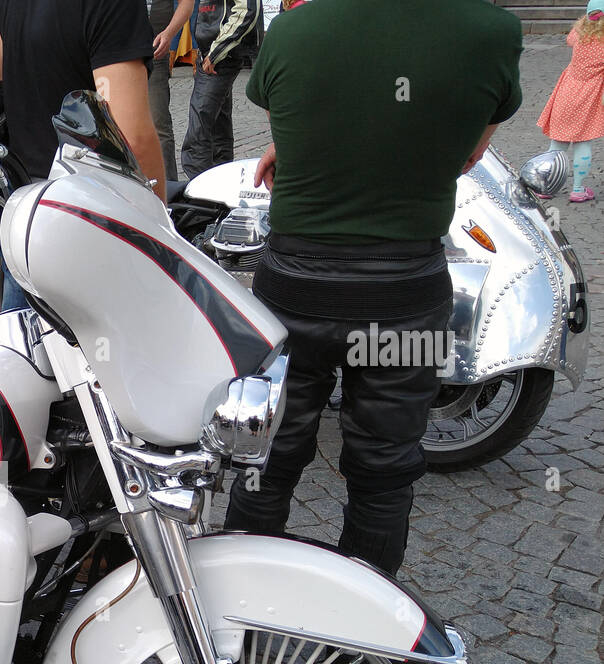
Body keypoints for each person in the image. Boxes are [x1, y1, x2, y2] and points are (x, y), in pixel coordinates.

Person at [221, 0, 523, 576]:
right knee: (385, 468)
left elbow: (303, 110)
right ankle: (367, 629)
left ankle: (239, 617)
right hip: (407, 294)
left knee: (269, 453)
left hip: (293, 289)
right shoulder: (492, 30)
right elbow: (466, 154)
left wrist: (313, 150)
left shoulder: (295, 29)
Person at [0, 0, 166, 312]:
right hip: (87, 218)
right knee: (101, 350)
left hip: (21, 207)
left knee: (27, 344)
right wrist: (160, 229)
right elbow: (132, 137)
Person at [179, 0, 261, 179]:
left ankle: (201, 195)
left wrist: (216, 52)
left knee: (199, 131)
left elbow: (248, 9)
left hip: (221, 54)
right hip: (214, 51)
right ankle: (218, 190)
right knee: (217, 128)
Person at [539, 0, 604, 203]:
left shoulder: (578, 35)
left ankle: (547, 186)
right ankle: (577, 189)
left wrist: (586, 21)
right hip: (589, 97)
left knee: (557, 144)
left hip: (567, 93)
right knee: (583, 141)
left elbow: (569, 39)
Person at [147, 0, 193, 183]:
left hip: (154, 53)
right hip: (117, 54)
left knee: (159, 125)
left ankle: (169, 190)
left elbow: (187, 3)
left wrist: (169, 33)